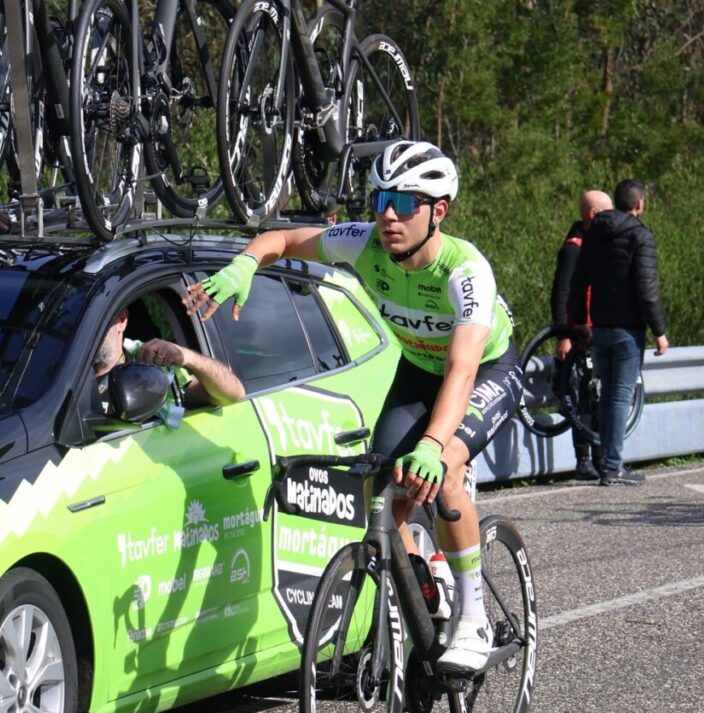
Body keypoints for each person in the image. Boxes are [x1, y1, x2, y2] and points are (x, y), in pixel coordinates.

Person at [183, 140, 522, 675]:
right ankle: (424, 589)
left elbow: (461, 371)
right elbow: (285, 237)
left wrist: (434, 446)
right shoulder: (362, 243)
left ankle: (473, 617)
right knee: (382, 497)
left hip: (485, 372)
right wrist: (246, 264)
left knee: (446, 471)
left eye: (405, 203)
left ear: (439, 211)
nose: (388, 214)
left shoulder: (466, 272)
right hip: (418, 370)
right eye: (380, 198)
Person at [569, 178, 668, 486]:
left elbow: (578, 281)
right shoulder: (641, 235)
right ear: (638, 204)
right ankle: (612, 465)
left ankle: (608, 463)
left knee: (608, 394)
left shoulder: (594, 234)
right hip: (628, 329)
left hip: (600, 327)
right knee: (620, 396)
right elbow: (647, 290)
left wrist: (577, 322)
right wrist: (660, 331)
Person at [550, 189, 613, 480]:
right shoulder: (574, 247)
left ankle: (602, 457)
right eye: (607, 213)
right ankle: (584, 459)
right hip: (576, 333)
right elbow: (561, 293)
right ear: (593, 214)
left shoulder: (598, 243)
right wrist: (563, 336)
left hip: (597, 331)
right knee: (582, 397)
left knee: (599, 397)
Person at [93, 306, 245, 411]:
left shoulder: (148, 370)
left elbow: (234, 395)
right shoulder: (70, 369)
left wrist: (187, 356)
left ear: (121, 320)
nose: (87, 334)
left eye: (98, 320)